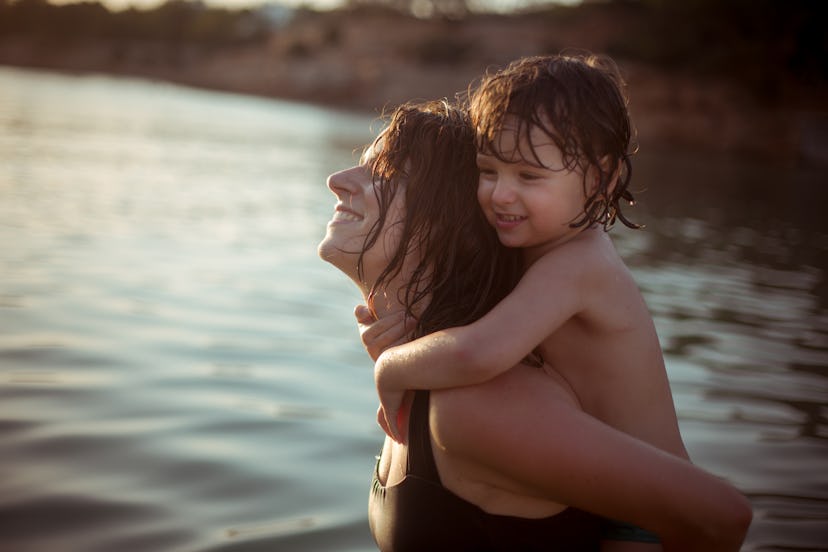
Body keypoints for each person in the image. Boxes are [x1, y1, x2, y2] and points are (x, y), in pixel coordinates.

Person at [319, 99, 751, 551]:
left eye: (385, 172)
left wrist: (390, 365)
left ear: (450, 220)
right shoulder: (433, 371)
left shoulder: (475, 404)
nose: (338, 180)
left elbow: (722, 515)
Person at [369, 55, 689, 478]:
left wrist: (389, 369)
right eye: (488, 170)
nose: (500, 194)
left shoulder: (582, 262)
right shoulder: (531, 249)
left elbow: (477, 352)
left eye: (528, 176)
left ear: (600, 180)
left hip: (650, 507)